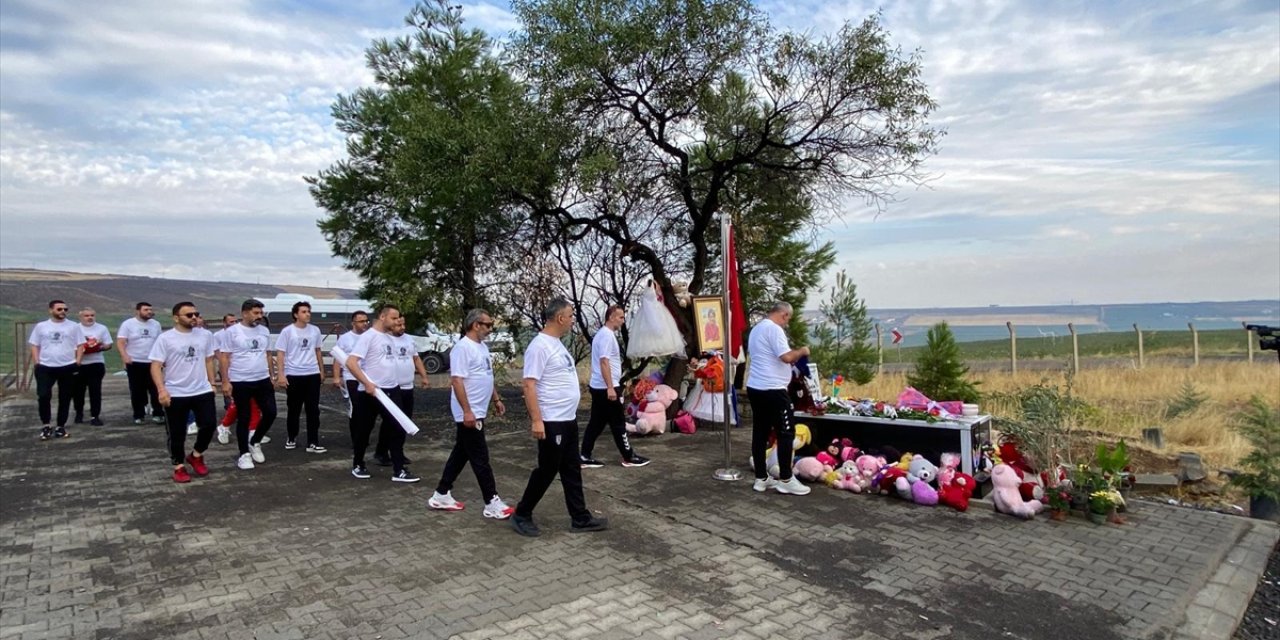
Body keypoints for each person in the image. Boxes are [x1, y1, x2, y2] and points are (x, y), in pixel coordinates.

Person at [510, 299, 608, 537]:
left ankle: (580, 518)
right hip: (551, 420)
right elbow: (529, 384)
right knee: (547, 469)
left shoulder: (557, 344)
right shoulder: (540, 346)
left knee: (571, 469)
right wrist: (537, 420)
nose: (573, 320)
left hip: (568, 419)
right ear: (560, 318)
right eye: (571, 315)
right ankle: (522, 513)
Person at [428, 309, 515, 519]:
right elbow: (457, 380)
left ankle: (441, 493)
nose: (490, 328)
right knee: (480, 456)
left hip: (479, 409)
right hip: (469, 412)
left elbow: (487, 376)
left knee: (462, 452)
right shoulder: (462, 348)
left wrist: (496, 398)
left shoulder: (482, 347)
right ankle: (491, 501)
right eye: (488, 324)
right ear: (476, 324)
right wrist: (467, 411)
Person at [345, 305, 417, 483]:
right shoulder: (368, 336)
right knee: (364, 430)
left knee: (397, 428)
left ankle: (399, 469)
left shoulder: (390, 337)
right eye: (394, 319)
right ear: (383, 317)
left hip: (392, 390)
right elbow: (351, 362)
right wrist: (367, 383)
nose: (397, 322)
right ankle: (358, 464)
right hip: (371, 392)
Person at [746, 301, 811, 496]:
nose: (787, 323)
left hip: (755, 387)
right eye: (787, 319)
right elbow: (786, 357)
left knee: (760, 432)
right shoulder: (774, 329)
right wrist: (802, 351)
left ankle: (761, 478)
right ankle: (786, 478)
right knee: (786, 432)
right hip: (773, 389)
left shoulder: (756, 329)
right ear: (783, 315)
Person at [149, 302, 218, 483]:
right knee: (177, 433)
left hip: (201, 389)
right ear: (176, 318)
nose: (194, 317)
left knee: (209, 424)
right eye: (189, 315)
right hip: (176, 392)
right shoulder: (166, 338)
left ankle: (196, 455)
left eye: (196, 314)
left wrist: (212, 383)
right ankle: (178, 466)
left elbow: (209, 360)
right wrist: (161, 390)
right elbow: (156, 365)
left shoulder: (205, 335)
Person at [580, 304, 650, 469]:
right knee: (618, 422)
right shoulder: (606, 336)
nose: (623, 321)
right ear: (611, 317)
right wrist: (611, 387)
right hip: (606, 388)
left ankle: (584, 455)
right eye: (621, 317)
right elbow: (604, 362)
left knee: (596, 423)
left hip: (600, 387)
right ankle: (629, 456)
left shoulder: (602, 335)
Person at [218, 299, 278, 470]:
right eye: (256, 313)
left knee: (270, 412)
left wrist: (272, 375)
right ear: (245, 313)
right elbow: (224, 357)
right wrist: (225, 381)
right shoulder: (232, 332)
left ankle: (255, 441)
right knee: (244, 417)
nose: (259, 316)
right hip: (240, 380)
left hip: (262, 379)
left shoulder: (264, 331)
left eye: (261, 313)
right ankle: (243, 454)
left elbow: (267, 354)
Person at [374, 315, 427, 466]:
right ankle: (382, 451)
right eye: (398, 325)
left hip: (407, 386)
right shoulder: (385, 340)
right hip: (392, 387)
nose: (402, 327)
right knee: (390, 422)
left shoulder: (409, 339)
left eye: (403, 324)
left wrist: (424, 376)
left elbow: (416, 359)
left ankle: (398, 451)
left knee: (405, 421)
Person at [29, 300, 85, 440]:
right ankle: (46, 425)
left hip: (67, 366)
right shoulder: (41, 326)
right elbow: (34, 344)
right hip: (45, 367)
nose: (63, 312)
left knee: (65, 397)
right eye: (59, 309)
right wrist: (37, 362)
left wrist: (78, 360)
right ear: (51, 310)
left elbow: (80, 344)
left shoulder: (73, 326)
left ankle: (60, 426)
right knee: (43, 395)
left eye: (65, 309)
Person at [274, 301, 326, 452]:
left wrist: (321, 370)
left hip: (312, 374)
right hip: (294, 374)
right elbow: (281, 353)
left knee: (313, 409)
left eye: (309, 311)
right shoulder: (287, 331)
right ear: (296, 314)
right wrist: (281, 375)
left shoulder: (315, 330)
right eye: (304, 311)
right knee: (294, 408)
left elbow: (317, 350)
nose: (307, 314)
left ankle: (313, 441)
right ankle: (291, 437)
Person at [118, 302, 165, 425]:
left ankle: (158, 413)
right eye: (146, 309)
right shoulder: (128, 324)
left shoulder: (156, 324)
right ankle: (139, 415)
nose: (149, 312)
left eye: (150, 309)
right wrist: (125, 356)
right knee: (137, 390)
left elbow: (160, 342)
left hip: (153, 362)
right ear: (137, 311)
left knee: (156, 388)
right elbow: (121, 342)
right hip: (135, 361)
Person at [333, 310, 369, 452]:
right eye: (361, 321)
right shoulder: (345, 338)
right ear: (353, 323)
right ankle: (356, 439)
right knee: (356, 408)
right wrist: (337, 377)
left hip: (367, 377)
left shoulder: (370, 337)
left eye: (366, 321)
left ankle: (363, 437)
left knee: (366, 409)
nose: (364, 324)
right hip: (351, 377)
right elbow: (337, 359)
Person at [72, 307, 112, 426]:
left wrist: (98, 347)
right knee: (78, 392)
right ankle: (79, 413)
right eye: (86, 315)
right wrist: (82, 349)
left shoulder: (101, 328)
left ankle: (95, 416)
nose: (90, 318)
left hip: (96, 363)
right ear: (81, 317)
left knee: (95, 391)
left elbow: (108, 344)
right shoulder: (75, 328)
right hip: (79, 364)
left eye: (92, 315)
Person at [211, 313, 237, 444]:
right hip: (227, 368)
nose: (233, 323)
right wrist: (224, 366)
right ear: (224, 323)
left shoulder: (238, 333)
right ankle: (225, 422)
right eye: (230, 322)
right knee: (234, 398)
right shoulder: (218, 335)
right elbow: (218, 352)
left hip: (241, 368)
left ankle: (252, 429)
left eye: (235, 321)